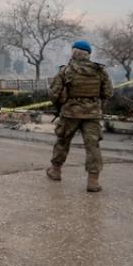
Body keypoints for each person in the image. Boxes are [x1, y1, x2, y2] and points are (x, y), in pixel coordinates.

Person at [47, 39, 113, 193]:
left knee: (63, 141)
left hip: (70, 113)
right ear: (88, 55)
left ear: (73, 52)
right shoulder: (100, 71)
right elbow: (108, 93)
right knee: (93, 146)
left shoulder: (66, 71)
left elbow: (53, 93)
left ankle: (55, 171)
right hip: (92, 114)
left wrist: (60, 105)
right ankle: (93, 181)